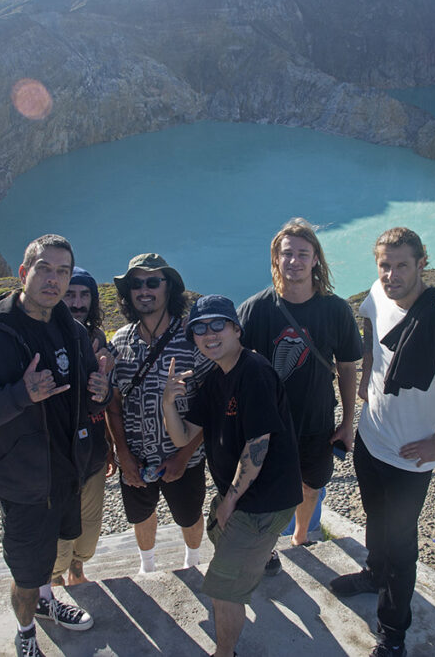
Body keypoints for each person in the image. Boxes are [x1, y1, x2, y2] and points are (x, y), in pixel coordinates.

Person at [329, 227, 435, 657]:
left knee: (402, 545)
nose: (391, 274)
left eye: (402, 265)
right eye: (385, 265)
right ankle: (372, 574)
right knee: (374, 519)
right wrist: (368, 374)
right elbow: (369, 318)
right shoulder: (378, 294)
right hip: (371, 439)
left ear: (423, 263)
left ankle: (392, 633)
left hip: (409, 459)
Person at [0, 235, 111, 657]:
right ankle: (25, 632)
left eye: (63, 271)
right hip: (23, 481)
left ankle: (48, 603)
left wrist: (103, 391)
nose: (53, 281)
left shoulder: (69, 329)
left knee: (50, 557)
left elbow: (90, 395)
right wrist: (20, 393)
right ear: (23, 273)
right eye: (44, 269)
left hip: (65, 473)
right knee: (26, 567)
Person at [162, 295, 302, 657]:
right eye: (199, 328)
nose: (209, 334)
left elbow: (257, 446)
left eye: (217, 325)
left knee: (222, 591)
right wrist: (167, 404)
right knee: (227, 567)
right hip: (244, 500)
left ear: (236, 329)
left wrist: (230, 502)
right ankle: (254, 564)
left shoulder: (253, 372)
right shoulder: (215, 379)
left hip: (261, 502)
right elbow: (182, 437)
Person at [237, 218, 362, 557]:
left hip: (316, 422)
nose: (294, 261)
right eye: (287, 253)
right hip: (267, 424)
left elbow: (348, 367)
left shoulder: (335, 310)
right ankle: (267, 547)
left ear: (316, 259)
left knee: (311, 487)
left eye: (302, 254)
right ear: (276, 258)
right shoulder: (255, 309)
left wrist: (348, 422)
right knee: (263, 488)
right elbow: (234, 367)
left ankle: (301, 536)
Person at [106, 253, 213, 574]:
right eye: (136, 284)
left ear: (169, 288)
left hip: (186, 459)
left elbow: (212, 403)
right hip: (136, 457)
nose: (144, 290)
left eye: (153, 282)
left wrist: (184, 455)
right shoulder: (120, 341)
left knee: (189, 515)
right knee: (140, 514)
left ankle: (192, 562)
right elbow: (113, 403)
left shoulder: (192, 339)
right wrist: (123, 454)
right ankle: (147, 567)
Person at [50, 267, 117, 586]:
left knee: (89, 527)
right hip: (58, 457)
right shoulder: (46, 337)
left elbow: (100, 400)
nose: (77, 303)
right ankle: (54, 578)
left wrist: (110, 446)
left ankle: (77, 569)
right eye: (70, 294)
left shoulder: (98, 339)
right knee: (60, 529)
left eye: (84, 295)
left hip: (92, 452)